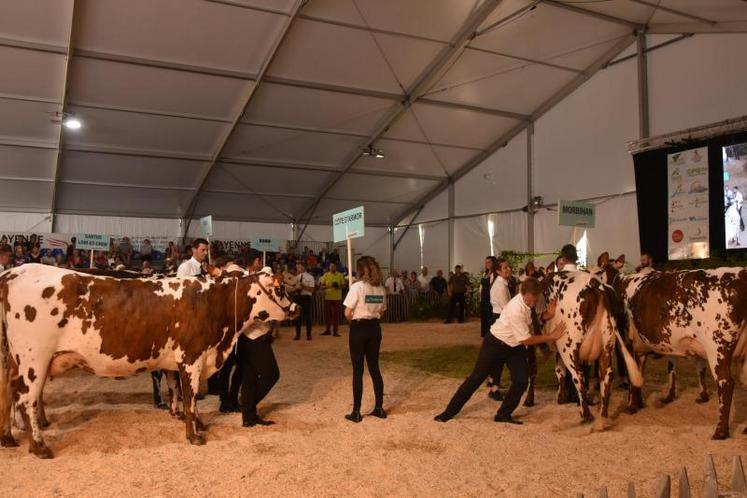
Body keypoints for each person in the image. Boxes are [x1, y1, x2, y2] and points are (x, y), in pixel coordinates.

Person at [434, 279, 565, 424]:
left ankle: (503, 414)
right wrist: (551, 336)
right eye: (529, 300)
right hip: (495, 345)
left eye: (534, 300)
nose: (532, 303)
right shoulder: (516, 309)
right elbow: (526, 340)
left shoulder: (530, 302)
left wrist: (548, 314)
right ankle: (448, 412)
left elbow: (533, 320)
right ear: (522, 293)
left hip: (514, 346)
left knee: (521, 380)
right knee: (476, 379)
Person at [342, 255, 387, 423]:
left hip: (359, 328)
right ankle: (379, 408)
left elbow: (347, 312)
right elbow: (382, 312)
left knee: (358, 370)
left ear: (360, 270)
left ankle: (356, 412)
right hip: (375, 328)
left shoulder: (357, 287)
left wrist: (352, 322)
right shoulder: (381, 289)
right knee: (375, 368)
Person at [486, 259, 513, 400]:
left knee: (497, 355)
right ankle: (494, 389)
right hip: (500, 318)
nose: (508, 269)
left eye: (509, 266)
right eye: (505, 267)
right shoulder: (501, 286)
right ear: (497, 271)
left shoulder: (501, 283)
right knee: (499, 355)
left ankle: (492, 382)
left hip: (498, 317)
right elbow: (506, 308)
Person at [320, 262, 346, 337]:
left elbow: (344, 286)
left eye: (334, 266)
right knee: (327, 315)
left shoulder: (340, 275)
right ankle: (327, 330)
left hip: (337, 298)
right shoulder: (326, 275)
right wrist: (330, 285)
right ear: (329, 267)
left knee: (336, 316)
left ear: (336, 267)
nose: (332, 268)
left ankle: (335, 331)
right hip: (327, 298)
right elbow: (321, 287)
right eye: (331, 267)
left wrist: (338, 286)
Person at [293, 261, 315, 341]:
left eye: (298, 267)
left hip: (306, 297)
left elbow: (312, 290)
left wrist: (303, 286)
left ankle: (308, 335)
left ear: (303, 267)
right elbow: (293, 289)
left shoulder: (310, 277)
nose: (297, 268)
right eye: (297, 267)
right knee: (297, 316)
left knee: (308, 317)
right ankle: (297, 335)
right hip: (297, 297)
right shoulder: (295, 277)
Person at [479, 257, 498, 338]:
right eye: (486, 262)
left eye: (489, 262)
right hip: (484, 297)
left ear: (493, 263)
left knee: (489, 316)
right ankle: (485, 333)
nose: (486, 264)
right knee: (484, 315)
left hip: (490, 298)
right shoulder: (485, 273)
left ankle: (490, 333)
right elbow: (481, 287)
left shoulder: (495, 274)